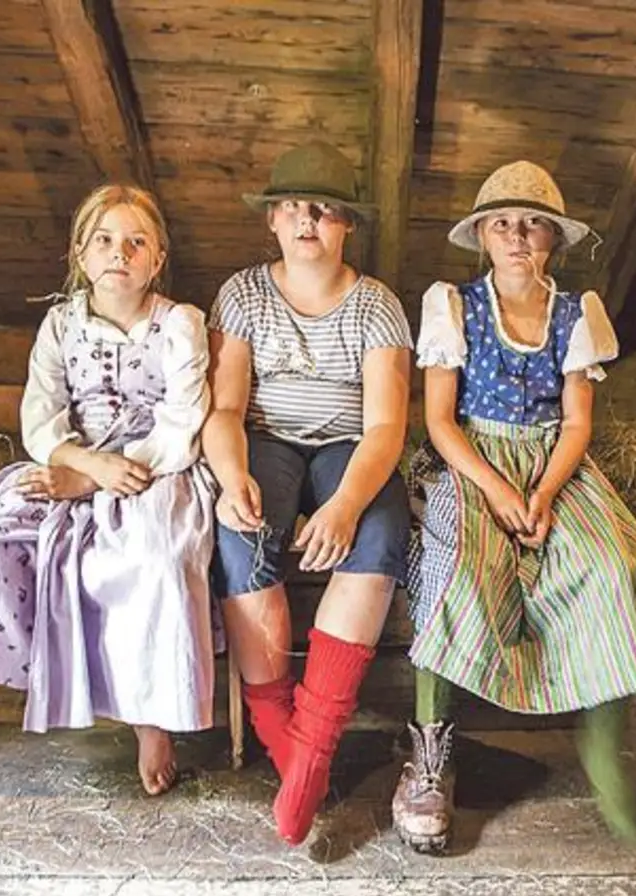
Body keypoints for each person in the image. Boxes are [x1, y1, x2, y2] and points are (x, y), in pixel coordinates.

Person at [0, 184, 215, 796]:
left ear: (157, 259)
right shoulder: (62, 324)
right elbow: (41, 418)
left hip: (155, 470)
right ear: (81, 254)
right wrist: (81, 467)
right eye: (105, 241)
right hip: (76, 461)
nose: (120, 253)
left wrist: (114, 471)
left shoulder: (179, 324)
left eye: (136, 242)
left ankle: (151, 718)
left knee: (154, 559)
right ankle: (56, 680)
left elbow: (182, 422)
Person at [393, 161, 636, 851]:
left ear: (553, 242)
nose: (518, 237)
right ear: (482, 235)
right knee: (455, 564)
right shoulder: (453, 305)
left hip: (551, 464)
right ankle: (431, 753)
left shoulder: (576, 314)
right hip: (472, 461)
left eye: (533, 224)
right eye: (504, 224)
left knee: (614, 563)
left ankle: (604, 742)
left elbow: (576, 424)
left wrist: (541, 492)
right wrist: (501, 491)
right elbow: (441, 422)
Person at [202, 140, 412, 845]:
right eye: (293, 208)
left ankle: (314, 744)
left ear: (347, 224)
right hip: (266, 438)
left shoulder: (376, 305)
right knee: (239, 534)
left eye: (324, 211)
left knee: (380, 534)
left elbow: (387, 424)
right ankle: (287, 748)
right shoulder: (242, 295)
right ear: (271, 221)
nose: (307, 222)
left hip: (352, 445)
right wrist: (232, 479)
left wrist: (347, 504)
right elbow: (226, 409)